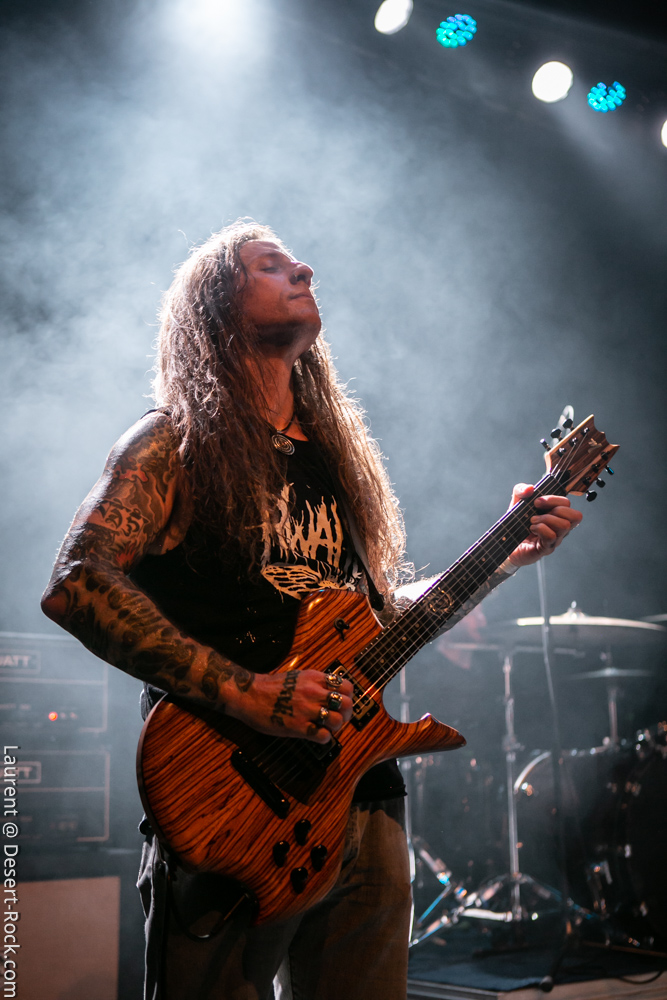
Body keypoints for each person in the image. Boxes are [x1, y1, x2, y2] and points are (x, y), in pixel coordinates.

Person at [41, 221, 582, 1000]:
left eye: (296, 262)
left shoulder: (335, 460)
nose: (304, 270)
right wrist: (251, 694)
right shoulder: (173, 443)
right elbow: (78, 581)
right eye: (270, 265)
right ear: (216, 305)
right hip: (225, 794)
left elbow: (376, 621)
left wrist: (503, 556)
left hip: (361, 797)